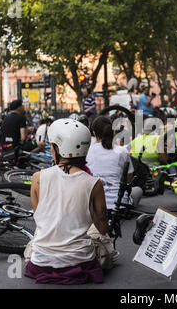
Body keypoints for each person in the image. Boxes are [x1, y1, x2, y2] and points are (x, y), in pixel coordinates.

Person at [25, 118, 112, 284]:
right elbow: (102, 228)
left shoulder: (37, 178)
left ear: (58, 149)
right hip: (80, 260)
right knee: (105, 242)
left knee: (35, 240)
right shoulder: (94, 183)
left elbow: (41, 220)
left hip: (41, 261)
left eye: (52, 146)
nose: (50, 149)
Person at [86, 116, 143, 210]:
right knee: (138, 190)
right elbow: (128, 179)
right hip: (119, 204)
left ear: (94, 133)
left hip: (94, 204)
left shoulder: (88, 151)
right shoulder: (122, 151)